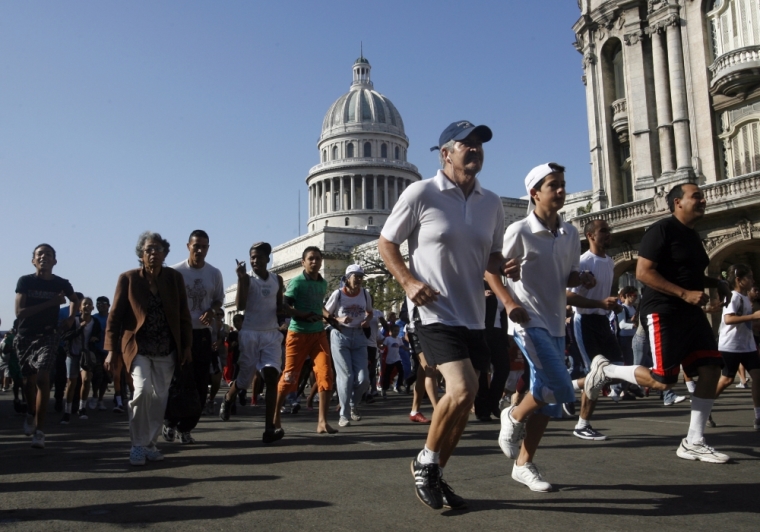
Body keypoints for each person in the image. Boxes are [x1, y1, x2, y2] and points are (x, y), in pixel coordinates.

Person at [379, 120, 520, 511]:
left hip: (474, 313)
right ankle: (425, 462)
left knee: (469, 400)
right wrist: (408, 282)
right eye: (466, 144)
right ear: (446, 153)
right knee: (460, 389)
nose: (474, 149)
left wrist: (504, 268)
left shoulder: (492, 203)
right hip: (433, 309)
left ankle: (436, 469)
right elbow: (386, 241)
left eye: (479, 145)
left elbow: (491, 256)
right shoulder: (421, 193)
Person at [584, 183, 732, 463]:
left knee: (711, 368)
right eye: (696, 196)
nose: (703, 200)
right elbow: (643, 273)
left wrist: (717, 282)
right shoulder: (661, 230)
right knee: (663, 381)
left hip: (690, 312)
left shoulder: (692, 236)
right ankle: (608, 369)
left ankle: (694, 441)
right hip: (663, 310)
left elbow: (688, 274)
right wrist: (684, 293)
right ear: (677, 202)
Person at [495, 163, 595, 491]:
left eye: (563, 184)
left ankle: (523, 464)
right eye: (554, 185)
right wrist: (510, 303)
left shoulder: (570, 233)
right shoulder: (519, 230)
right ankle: (513, 416)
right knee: (563, 389)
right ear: (535, 193)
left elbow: (568, 275)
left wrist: (580, 278)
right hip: (529, 321)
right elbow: (492, 271)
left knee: (549, 401)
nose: (562, 190)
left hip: (555, 321)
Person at [104, 231, 193, 466]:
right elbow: (114, 317)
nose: (154, 254)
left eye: (158, 249)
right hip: (138, 347)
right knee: (142, 392)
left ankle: (150, 443)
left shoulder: (174, 279)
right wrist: (112, 350)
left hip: (166, 348)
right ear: (141, 255)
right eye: (149, 250)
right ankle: (136, 445)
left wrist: (186, 347)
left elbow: (184, 315)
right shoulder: (129, 278)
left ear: (165, 253)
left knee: (159, 399)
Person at [565, 219, 625, 441]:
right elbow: (568, 296)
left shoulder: (609, 262)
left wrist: (613, 306)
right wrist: (600, 303)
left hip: (603, 322)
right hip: (585, 322)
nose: (608, 234)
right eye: (603, 231)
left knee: (617, 372)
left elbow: (603, 296)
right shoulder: (582, 261)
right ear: (590, 235)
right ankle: (583, 425)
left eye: (609, 230)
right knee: (597, 375)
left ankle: (566, 386)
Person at [14, 244, 79, 449]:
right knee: (28, 383)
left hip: (49, 335)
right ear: (33, 260)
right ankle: (31, 412)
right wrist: (52, 303)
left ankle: (40, 431)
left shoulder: (61, 283)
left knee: (43, 379)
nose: (44, 257)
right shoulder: (25, 281)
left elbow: (75, 300)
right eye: (39, 254)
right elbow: (20, 312)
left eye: (48, 254)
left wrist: (70, 318)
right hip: (25, 336)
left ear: (55, 261)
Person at [220, 242, 286, 443]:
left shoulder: (277, 279)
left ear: (268, 258)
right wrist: (240, 279)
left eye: (258, 257)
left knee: (271, 376)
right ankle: (229, 398)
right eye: (252, 257)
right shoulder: (248, 279)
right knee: (244, 380)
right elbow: (239, 305)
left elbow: (280, 306)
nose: (254, 260)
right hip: (249, 334)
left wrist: (286, 322)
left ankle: (269, 429)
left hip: (270, 335)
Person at [164, 229, 225, 444]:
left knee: (200, 384)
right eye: (196, 245)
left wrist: (211, 311)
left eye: (204, 246)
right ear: (188, 246)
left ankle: (186, 427)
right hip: (180, 334)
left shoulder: (214, 273)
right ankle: (170, 421)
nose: (199, 250)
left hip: (202, 335)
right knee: (178, 380)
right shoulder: (174, 272)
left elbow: (219, 300)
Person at [272, 246, 337, 436]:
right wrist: (303, 315)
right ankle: (275, 417)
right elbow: (284, 306)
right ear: (303, 262)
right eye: (311, 259)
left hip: (318, 334)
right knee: (290, 376)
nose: (314, 262)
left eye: (317, 258)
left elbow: (319, 305)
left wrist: (328, 316)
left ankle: (322, 422)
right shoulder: (297, 283)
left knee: (325, 374)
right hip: (298, 334)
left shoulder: (322, 283)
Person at [325, 264, 372, 427]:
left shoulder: (365, 294)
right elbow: (325, 314)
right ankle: (343, 415)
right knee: (346, 376)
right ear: (347, 278)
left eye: (361, 276)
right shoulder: (338, 294)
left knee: (364, 379)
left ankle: (353, 404)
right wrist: (339, 319)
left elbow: (370, 311)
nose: (358, 279)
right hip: (340, 335)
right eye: (355, 276)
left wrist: (367, 320)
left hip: (359, 336)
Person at [714, 264, 760, 429]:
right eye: (750, 277)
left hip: (747, 345)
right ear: (739, 280)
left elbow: (746, 322)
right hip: (730, 345)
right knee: (726, 380)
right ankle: (705, 406)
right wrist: (753, 316)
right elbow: (729, 319)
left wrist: (754, 323)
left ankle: (758, 416)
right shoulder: (733, 297)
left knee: (758, 377)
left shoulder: (745, 298)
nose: (753, 280)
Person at [60, 297, 102, 423]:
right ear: (80, 308)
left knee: (86, 379)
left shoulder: (95, 322)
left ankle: (82, 408)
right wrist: (80, 328)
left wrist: (95, 338)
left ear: (92, 308)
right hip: (73, 354)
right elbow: (65, 336)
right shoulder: (75, 321)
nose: (87, 306)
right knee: (71, 383)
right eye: (84, 304)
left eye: (90, 304)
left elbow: (98, 336)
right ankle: (67, 411)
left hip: (86, 355)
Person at [474, 281, 510, 422]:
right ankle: (482, 410)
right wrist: (479, 296)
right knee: (482, 370)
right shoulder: (478, 283)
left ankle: (493, 402)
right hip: (481, 331)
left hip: (498, 332)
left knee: (503, 368)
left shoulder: (501, 285)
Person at [90, 296, 111, 411]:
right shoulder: (93, 318)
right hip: (96, 350)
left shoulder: (112, 318)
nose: (100, 305)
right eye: (98, 303)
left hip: (109, 351)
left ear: (108, 305)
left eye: (103, 303)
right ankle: (94, 396)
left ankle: (100, 399)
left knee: (106, 376)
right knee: (98, 374)